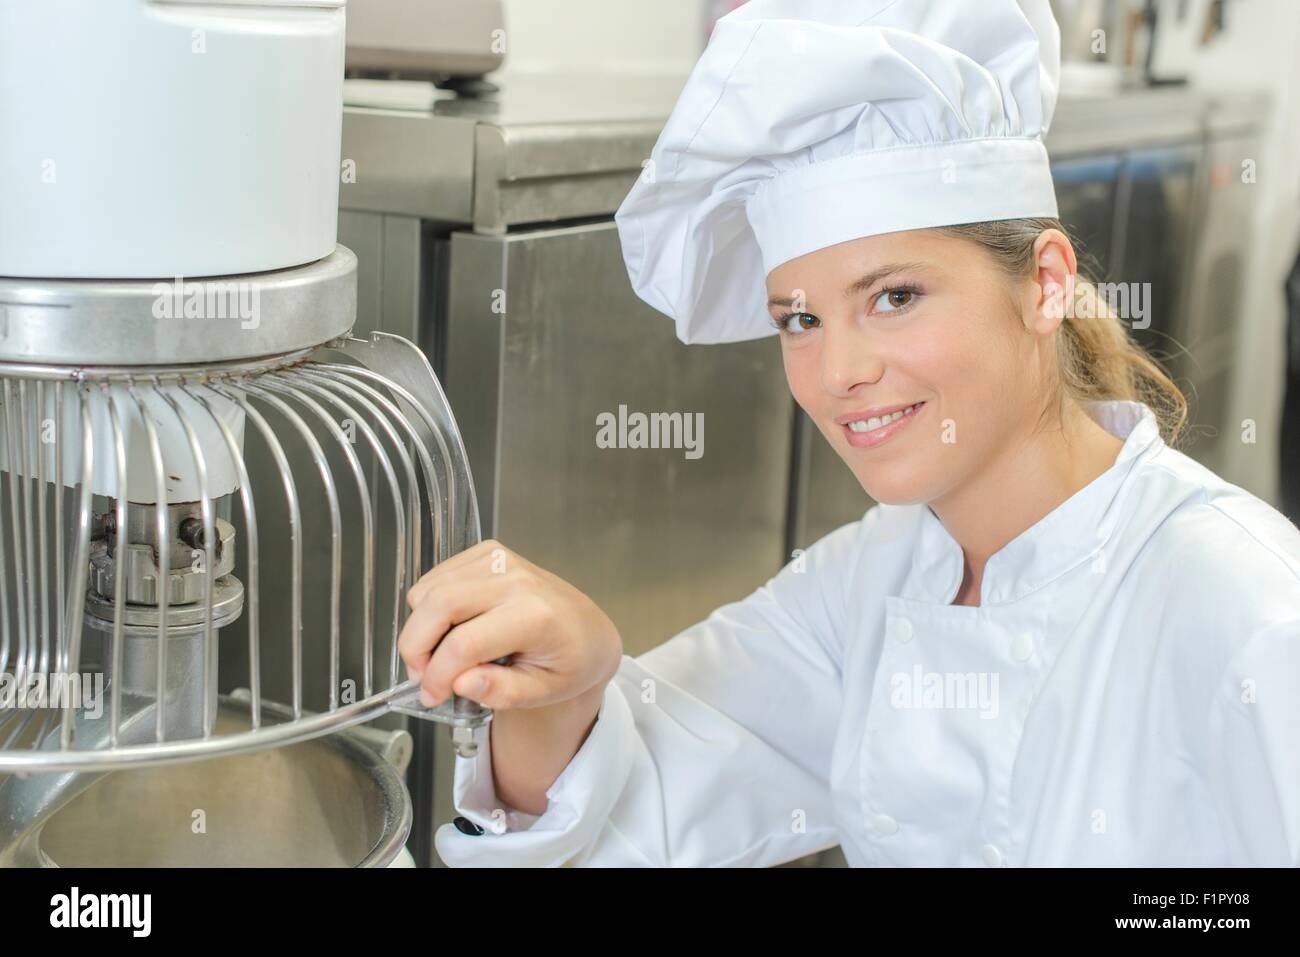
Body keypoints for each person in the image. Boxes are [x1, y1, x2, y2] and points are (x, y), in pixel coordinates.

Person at [399, 0, 1300, 867]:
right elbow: (624, 815)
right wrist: (564, 687)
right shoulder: (865, 584)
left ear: (1046, 282)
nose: (838, 373)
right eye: (799, 319)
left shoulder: (1243, 602)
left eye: (894, 296)